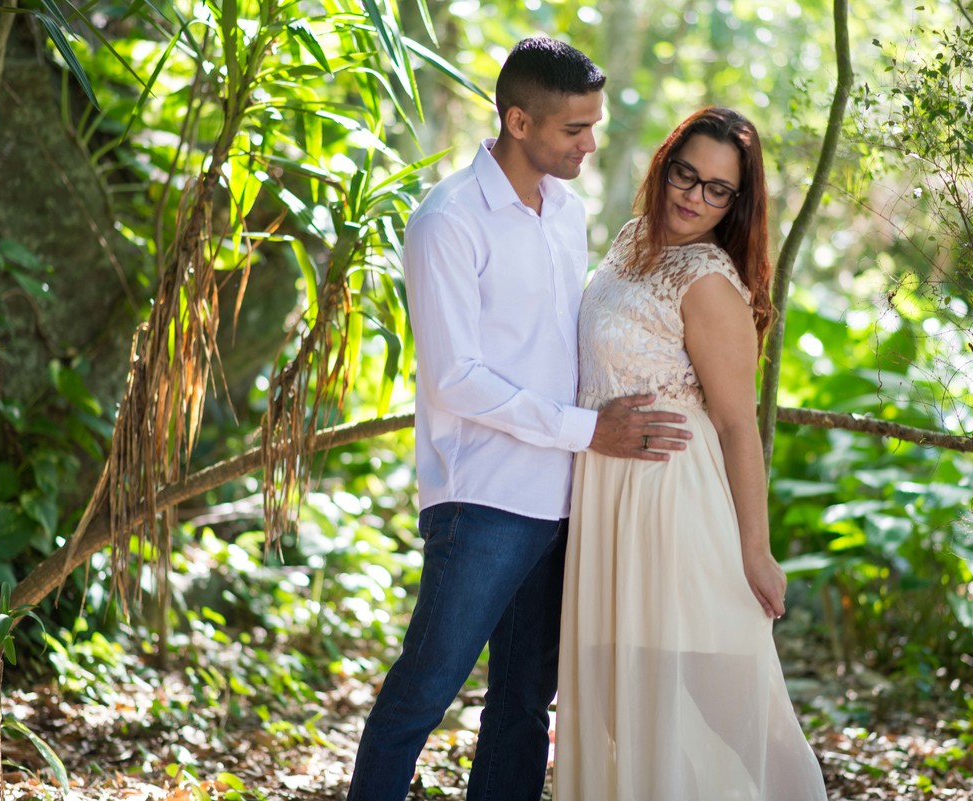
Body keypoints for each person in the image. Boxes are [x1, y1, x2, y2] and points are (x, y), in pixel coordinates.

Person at [345, 38, 692, 801]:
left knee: (525, 705)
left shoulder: (567, 213)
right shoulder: (448, 220)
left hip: (564, 500)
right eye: (575, 128)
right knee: (421, 694)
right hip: (483, 501)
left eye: (594, 125)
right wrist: (587, 430)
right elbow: (456, 378)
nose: (590, 144)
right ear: (519, 121)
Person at [554, 107, 829, 800]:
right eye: (686, 175)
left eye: (717, 190)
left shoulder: (707, 279)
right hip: (608, 499)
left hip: (674, 504)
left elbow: (737, 425)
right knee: (627, 705)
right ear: (665, 164)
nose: (694, 197)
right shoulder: (632, 238)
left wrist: (756, 551)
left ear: (736, 202)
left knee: (723, 701)